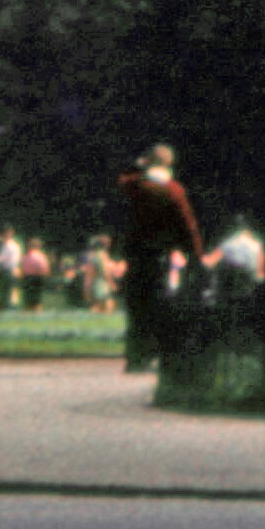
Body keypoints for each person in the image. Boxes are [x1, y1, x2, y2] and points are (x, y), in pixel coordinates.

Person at [109, 146, 204, 369]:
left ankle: (135, 356)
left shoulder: (136, 186)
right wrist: (196, 254)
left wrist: (137, 165)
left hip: (135, 254)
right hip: (160, 256)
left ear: (148, 162)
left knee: (136, 305)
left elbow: (121, 180)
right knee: (157, 305)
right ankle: (152, 352)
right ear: (169, 164)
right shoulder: (173, 190)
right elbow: (188, 226)